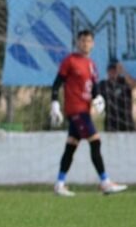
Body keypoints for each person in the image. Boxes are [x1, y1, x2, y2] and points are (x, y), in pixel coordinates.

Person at [49, 29, 127, 196]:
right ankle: (105, 182)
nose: (85, 44)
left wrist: (98, 98)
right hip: (76, 110)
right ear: (78, 42)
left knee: (71, 147)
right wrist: (54, 103)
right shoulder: (70, 61)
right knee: (95, 142)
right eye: (83, 40)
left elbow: (94, 86)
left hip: (85, 109)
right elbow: (56, 84)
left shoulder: (91, 64)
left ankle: (59, 183)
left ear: (93, 44)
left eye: (89, 41)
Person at [98, 60, 136, 132]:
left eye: (114, 70)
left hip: (127, 123)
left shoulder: (124, 82)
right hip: (111, 124)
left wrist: (123, 72)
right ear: (107, 71)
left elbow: (133, 85)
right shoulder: (103, 84)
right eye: (111, 70)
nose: (112, 72)